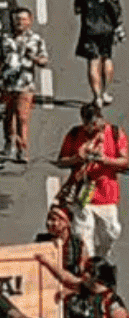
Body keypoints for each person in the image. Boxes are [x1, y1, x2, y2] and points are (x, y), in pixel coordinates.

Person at [58, 102, 129, 258]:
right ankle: (88, 265)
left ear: (100, 119)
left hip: (106, 194)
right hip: (82, 192)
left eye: (95, 124)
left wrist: (106, 160)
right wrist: (77, 158)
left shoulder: (115, 133)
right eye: (87, 124)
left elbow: (125, 161)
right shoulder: (75, 134)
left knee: (112, 231)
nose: (91, 128)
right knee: (83, 235)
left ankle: (101, 257)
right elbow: (62, 161)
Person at [0, 7, 48, 164]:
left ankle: (22, 148)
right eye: (17, 19)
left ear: (30, 21)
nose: (20, 22)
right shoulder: (4, 38)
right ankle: (9, 141)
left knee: (22, 117)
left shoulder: (36, 39)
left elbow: (44, 60)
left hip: (25, 84)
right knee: (7, 116)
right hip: (6, 84)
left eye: (24, 19)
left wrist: (35, 59)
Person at [74, 0, 123, 105]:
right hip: (107, 29)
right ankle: (106, 92)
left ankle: (97, 97)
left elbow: (77, 9)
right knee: (107, 58)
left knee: (93, 62)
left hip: (90, 29)